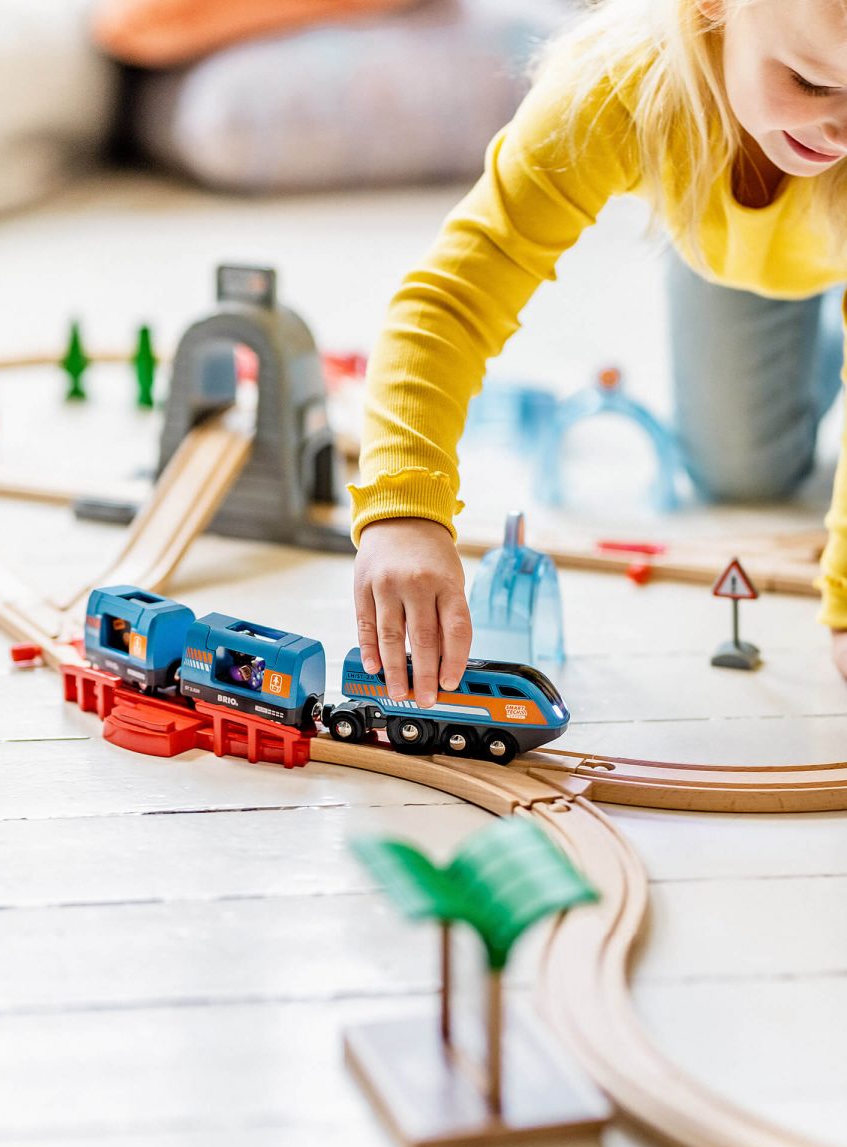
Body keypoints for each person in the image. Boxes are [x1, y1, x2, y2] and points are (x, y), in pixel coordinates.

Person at [349, 0, 847, 705]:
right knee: (740, 472)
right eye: (812, 82)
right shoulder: (614, 83)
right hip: (722, 245)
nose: (837, 128)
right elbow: (455, 295)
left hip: (822, 239)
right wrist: (403, 512)